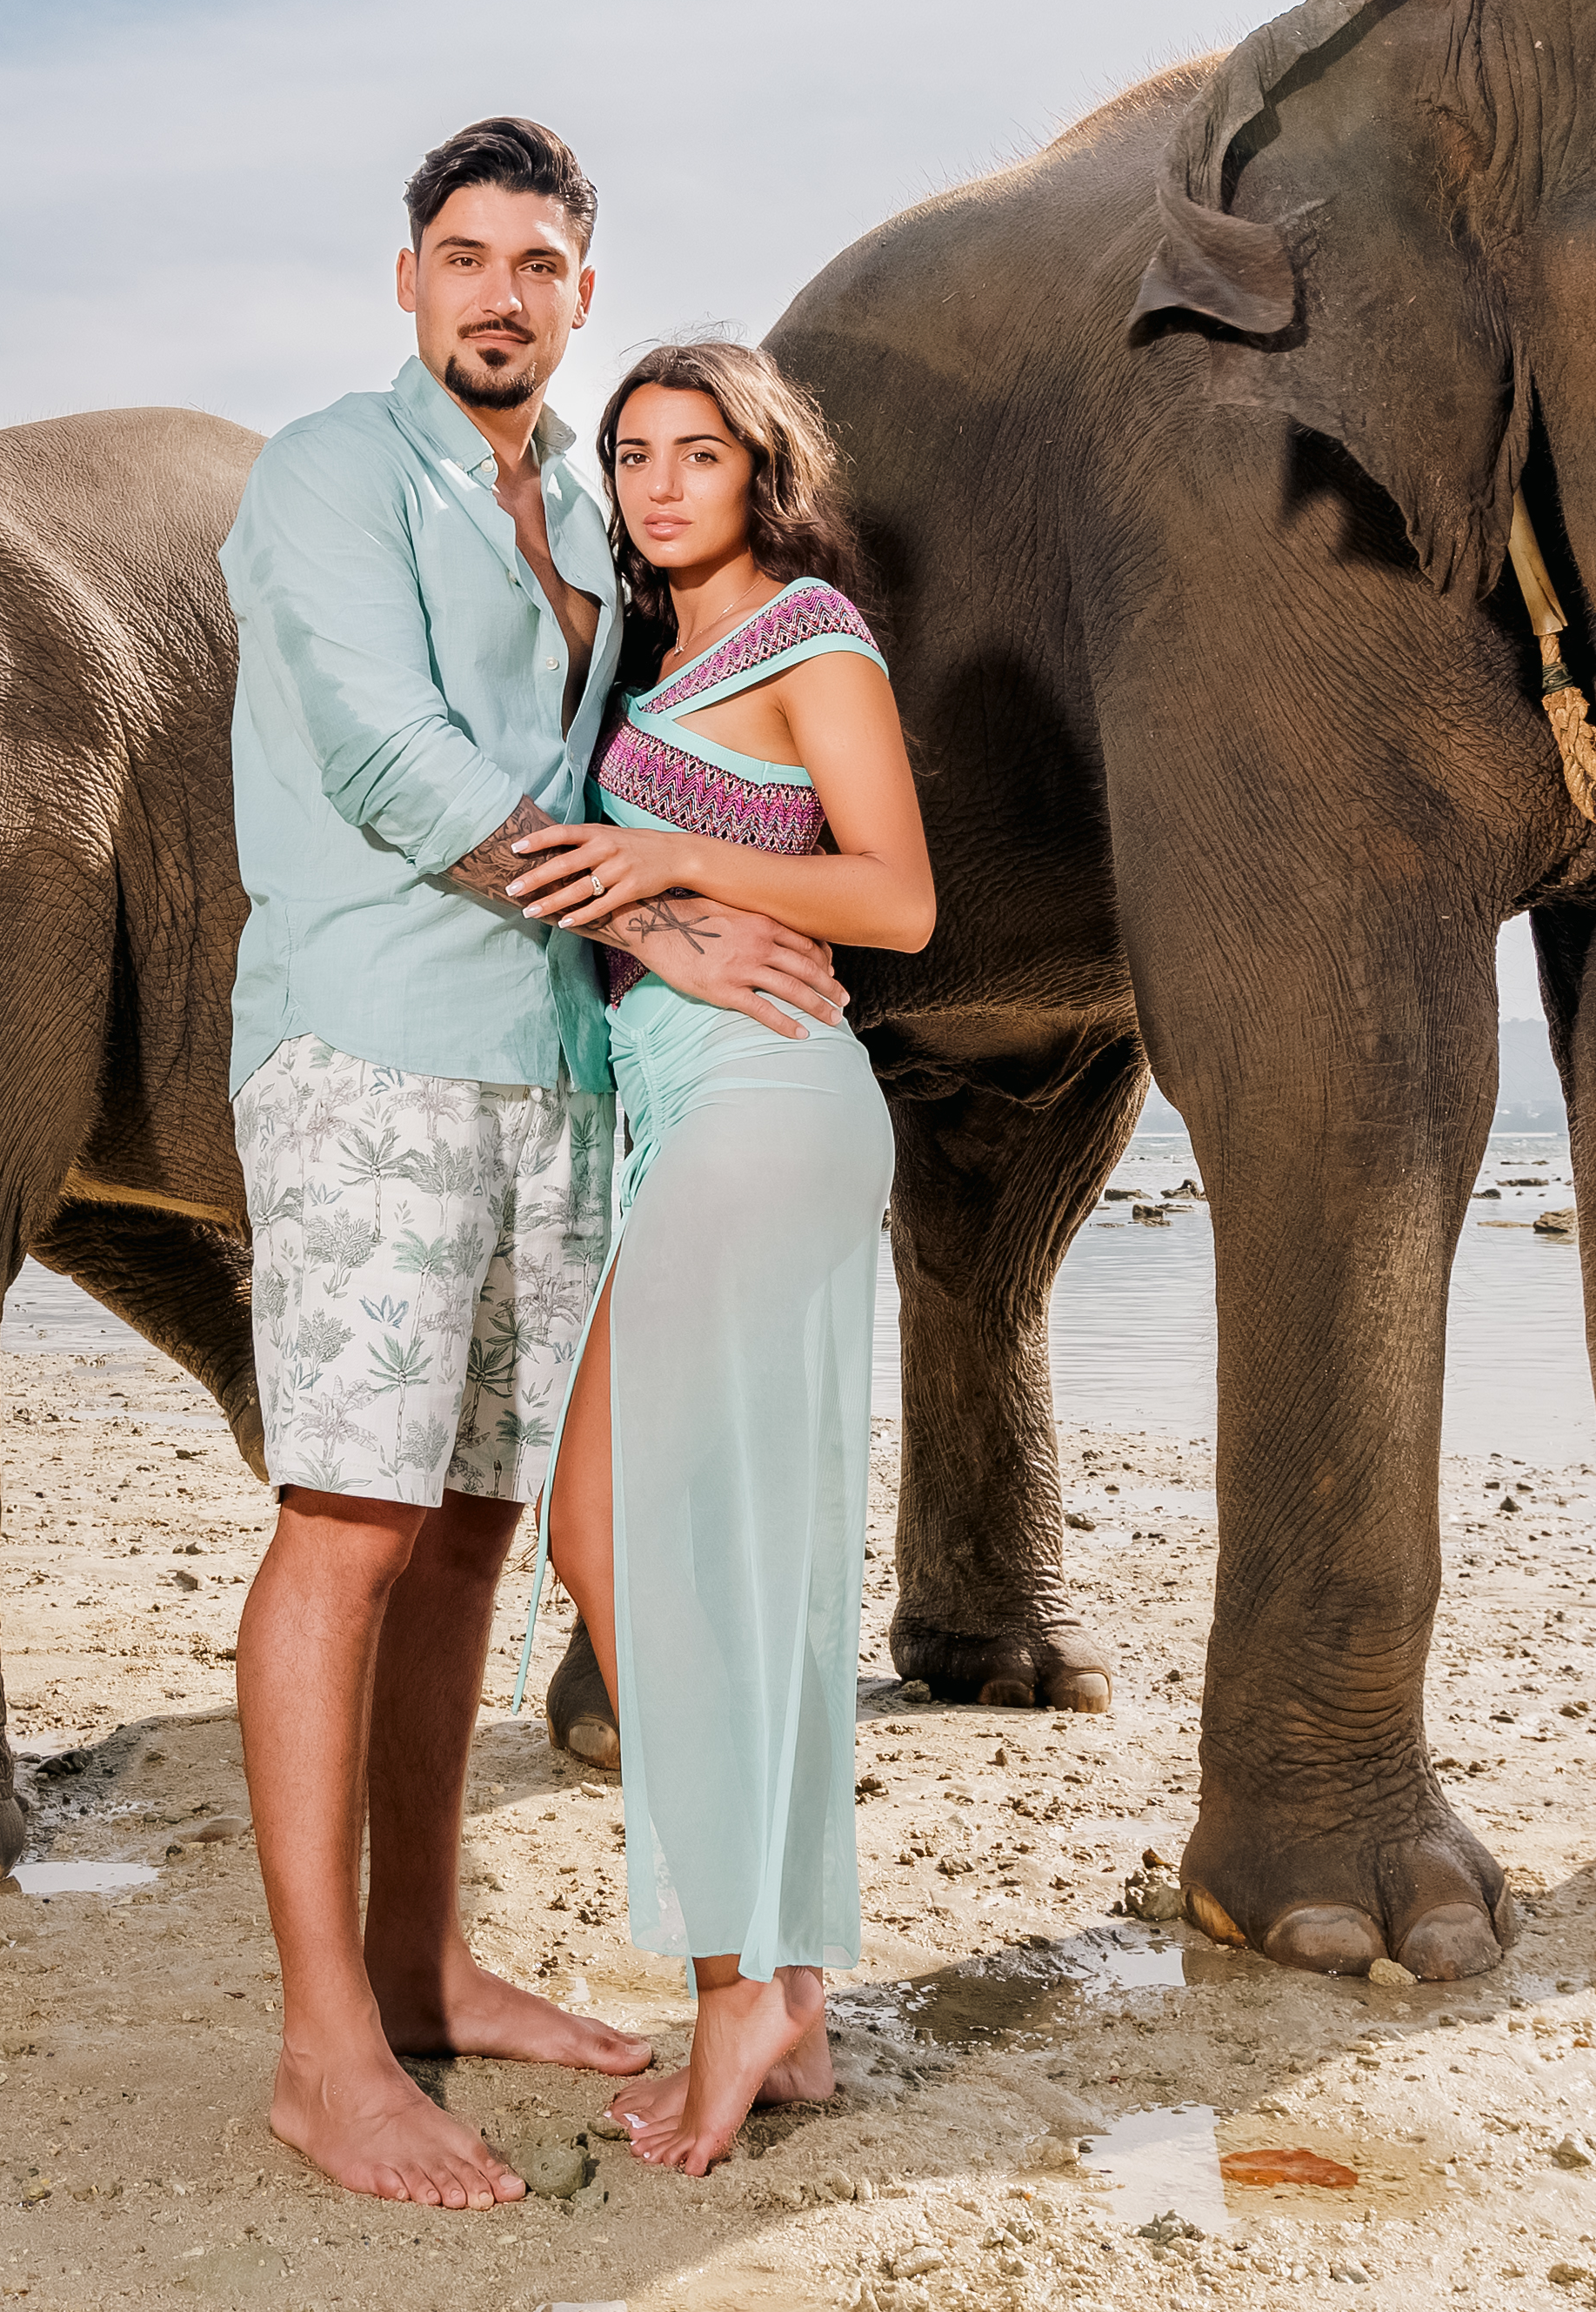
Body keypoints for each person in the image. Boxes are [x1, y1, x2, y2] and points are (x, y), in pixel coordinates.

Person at [222, 123, 853, 2210]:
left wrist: (680, 938)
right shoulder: (328, 474)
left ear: (585, 289)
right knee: (347, 1516)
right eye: (464, 256)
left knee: (478, 1536)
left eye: (540, 262)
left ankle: (420, 1960)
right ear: (406, 279)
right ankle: (328, 2049)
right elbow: (394, 754)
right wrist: (660, 918)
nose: (501, 292)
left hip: (564, 1076)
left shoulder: (604, 499)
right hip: (373, 1045)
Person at [510, 337, 934, 2175]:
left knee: (624, 1538)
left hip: (773, 1102)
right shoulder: (652, 655)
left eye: (698, 452)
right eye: (633, 454)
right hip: (682, 1114)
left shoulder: (807, 636)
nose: (662, 483)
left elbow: (896, 897)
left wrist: (658, 850)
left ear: (763, 469)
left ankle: (736, 1989)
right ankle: (791, 1999)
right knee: (703, 1555)